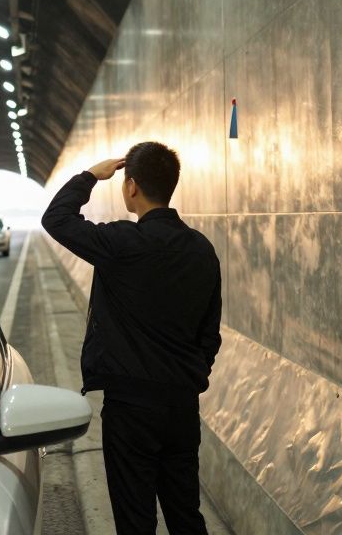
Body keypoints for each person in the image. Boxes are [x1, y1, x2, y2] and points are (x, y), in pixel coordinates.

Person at [41, 141, 222, 535]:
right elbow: (210, 332)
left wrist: (90, 176)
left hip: (130, 408)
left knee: (135, 519)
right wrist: (193, 374)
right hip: (180, 405)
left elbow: (56, 219)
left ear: (132, 187)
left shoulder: (121, 244)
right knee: (185, 515)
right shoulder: (201, 250)